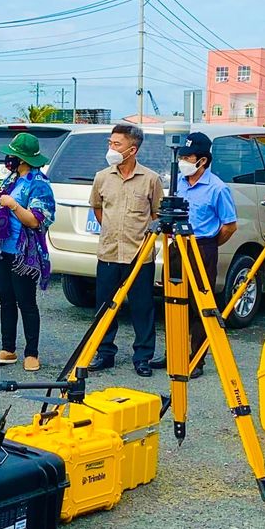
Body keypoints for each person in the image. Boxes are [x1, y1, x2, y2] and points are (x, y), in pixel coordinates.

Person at [155, 131, 237, 379]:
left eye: (188, 158)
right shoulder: (178, 183)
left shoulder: (217, 188)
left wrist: (209, 245)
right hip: (176, 246)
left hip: (202, 246)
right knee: (172, 299)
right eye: (182, 157)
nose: (183, 162)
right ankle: (173, 352)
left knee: (199, 304)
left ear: (202, 160)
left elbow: (229, 226)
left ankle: (196, 358)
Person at [0, 133, 56, 372]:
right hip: (3, 249)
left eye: (12, 156)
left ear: (23, 159)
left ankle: (32, 353)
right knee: (6, 299)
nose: (8, 159)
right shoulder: (12, 179)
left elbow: (35, 221)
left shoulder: (39, 184)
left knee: (26, 303)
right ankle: (8, 348)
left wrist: (15, 205)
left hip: (24, 254)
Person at [88, 124, 165, 377]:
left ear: (132, 150)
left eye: (117, 144)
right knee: (105, 306)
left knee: (142, 308)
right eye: (110, 143)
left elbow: (156, 214)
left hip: (139, 256)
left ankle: (143, 357)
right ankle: (104, 352)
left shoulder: (151, 179)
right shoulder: (102, 177)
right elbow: (98, 208)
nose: (111, 148)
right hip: (109, 253)